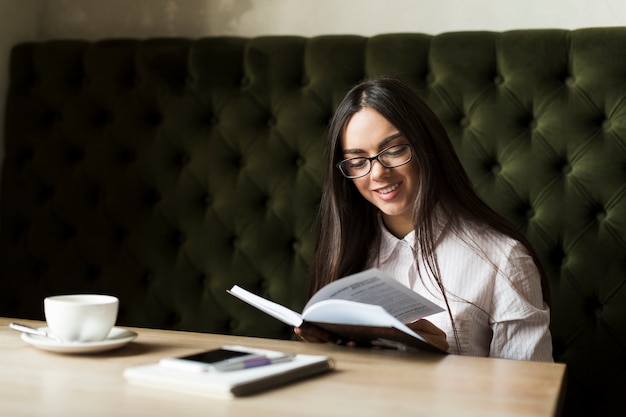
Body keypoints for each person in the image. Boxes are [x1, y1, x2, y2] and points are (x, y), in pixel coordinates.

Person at [295, 77, 553, 361]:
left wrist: (436, 358)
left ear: (426, 147)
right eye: (358, 162)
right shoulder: (343, 253)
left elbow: (527, 394)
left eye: (394, 150)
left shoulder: (503, 259)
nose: (378, 173)